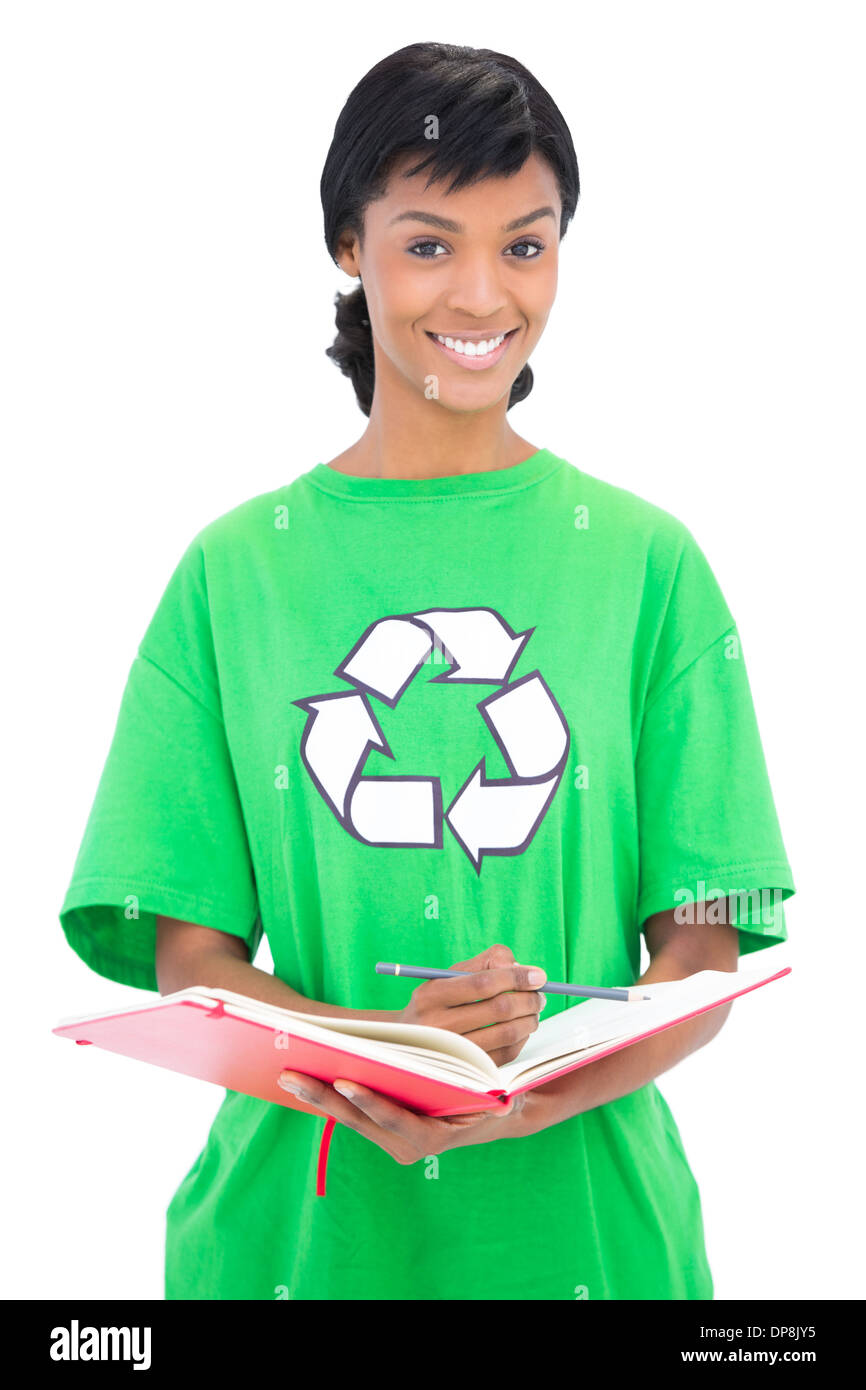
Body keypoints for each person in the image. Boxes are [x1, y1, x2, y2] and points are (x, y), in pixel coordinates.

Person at [58, 41, 795, 1300]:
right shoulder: (233, 574)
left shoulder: (645, 566)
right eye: (425, 242)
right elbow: (193, 961)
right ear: (349, 246)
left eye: (523, 242)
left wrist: (518, 1095)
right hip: (295, 1248)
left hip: (584, 1245)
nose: (478, 295)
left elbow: (701, 955)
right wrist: (380, 1044)